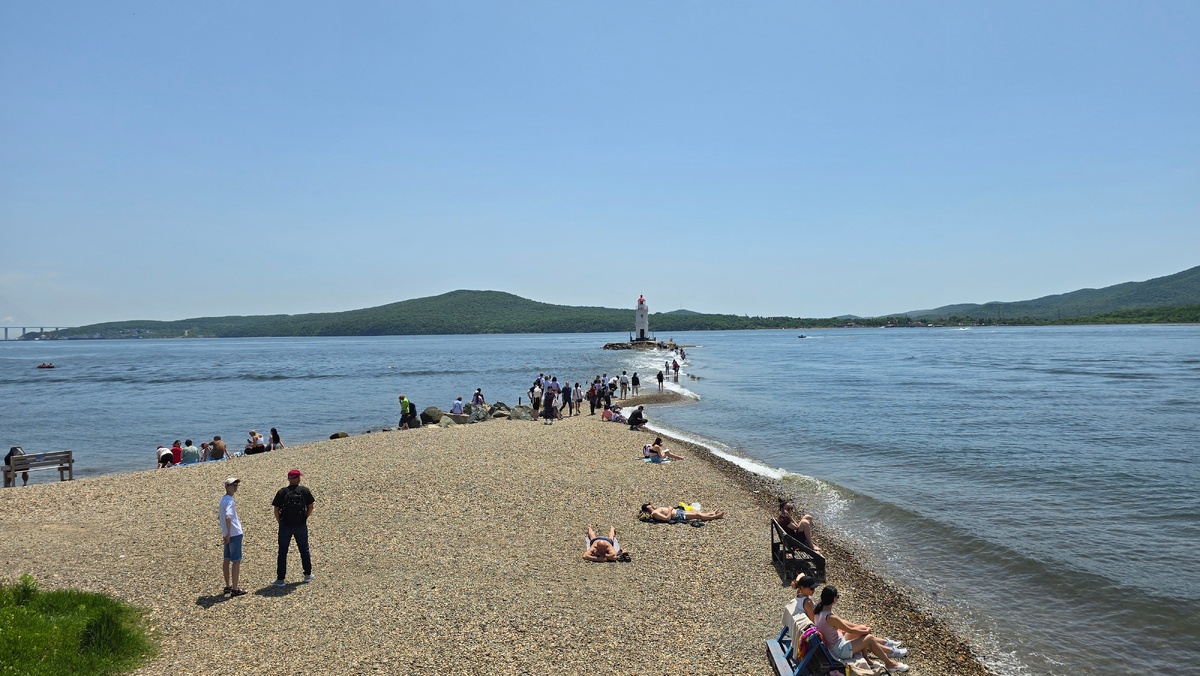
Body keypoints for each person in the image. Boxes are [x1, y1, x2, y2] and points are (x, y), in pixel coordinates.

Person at [812, 585, 909, 671]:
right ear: (833, 599)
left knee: (862, 630)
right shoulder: (830, 617)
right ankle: (890, 664)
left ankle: (869, 658)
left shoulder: (818, 611)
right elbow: (849, 630)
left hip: (835, 644)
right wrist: (866, 631)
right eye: (837, 597)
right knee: (869, 638)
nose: (838, 598)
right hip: (839, 650)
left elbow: (844, 624)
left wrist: (862, 628)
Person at [272, 469, 315, 586]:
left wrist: (280, 521)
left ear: (289, 479)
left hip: (285, 525)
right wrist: (305, 517)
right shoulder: (304, 491)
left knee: (282, 552)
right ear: (298, 478)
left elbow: (276, 509)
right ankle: (307, 575)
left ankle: (280, 579)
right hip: (300, 524)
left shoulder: (282, 492)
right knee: (304, 550)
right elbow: (310, 506)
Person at [219, 477, 247, 597]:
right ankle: (235, 588)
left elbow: (220, 516)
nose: (235, 487)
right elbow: (228, 517)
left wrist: (226, 533)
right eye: (232, 485)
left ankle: (227, 586)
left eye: (236, 485)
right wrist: (229, 534)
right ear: (226, 486)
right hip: (234, 533)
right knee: (236, 560)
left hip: (227, 533)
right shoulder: (229, 500)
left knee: (227, 559)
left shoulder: (223, 500)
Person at [640, 503, 725, 522]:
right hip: (677, 515)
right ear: (648, 507)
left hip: (678, 512)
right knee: (697, 515)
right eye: (650, 504)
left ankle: (711, 513)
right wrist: (670, 509)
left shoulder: (656, 510)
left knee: (695, 513)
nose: (651, 504)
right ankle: (715, 517)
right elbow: (667, 518)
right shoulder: (654, 513)